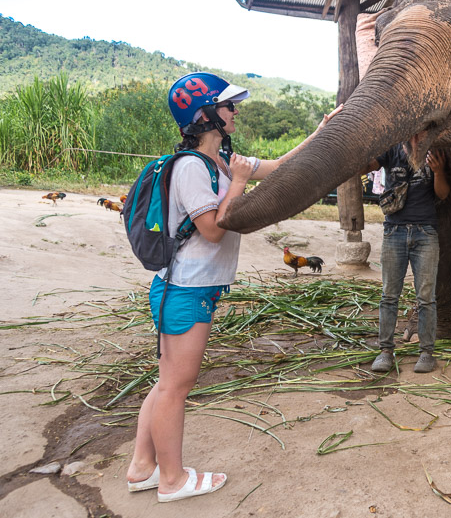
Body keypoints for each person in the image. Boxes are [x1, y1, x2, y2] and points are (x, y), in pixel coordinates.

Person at [126, 72, 341, 502]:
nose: (235, 111)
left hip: (188, 289)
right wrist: (240, 184)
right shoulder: (191, 168)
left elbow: (279, 168)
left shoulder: (219, 162)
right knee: (175, 386)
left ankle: (141, 468)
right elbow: (211, 230)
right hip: (184, 290)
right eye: (228, 106)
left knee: (166, 381)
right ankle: (172, 480)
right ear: (205, 116)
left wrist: (321, 133)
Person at [364, 144, 449, 374]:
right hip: (394, 231)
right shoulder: (390, 150)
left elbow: (443, 194)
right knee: (389, 295)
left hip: (426, 233)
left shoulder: (433, 151)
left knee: (426, 298)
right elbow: (366, 165)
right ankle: (385, 352)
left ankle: (426, 353)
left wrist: (439, 171)